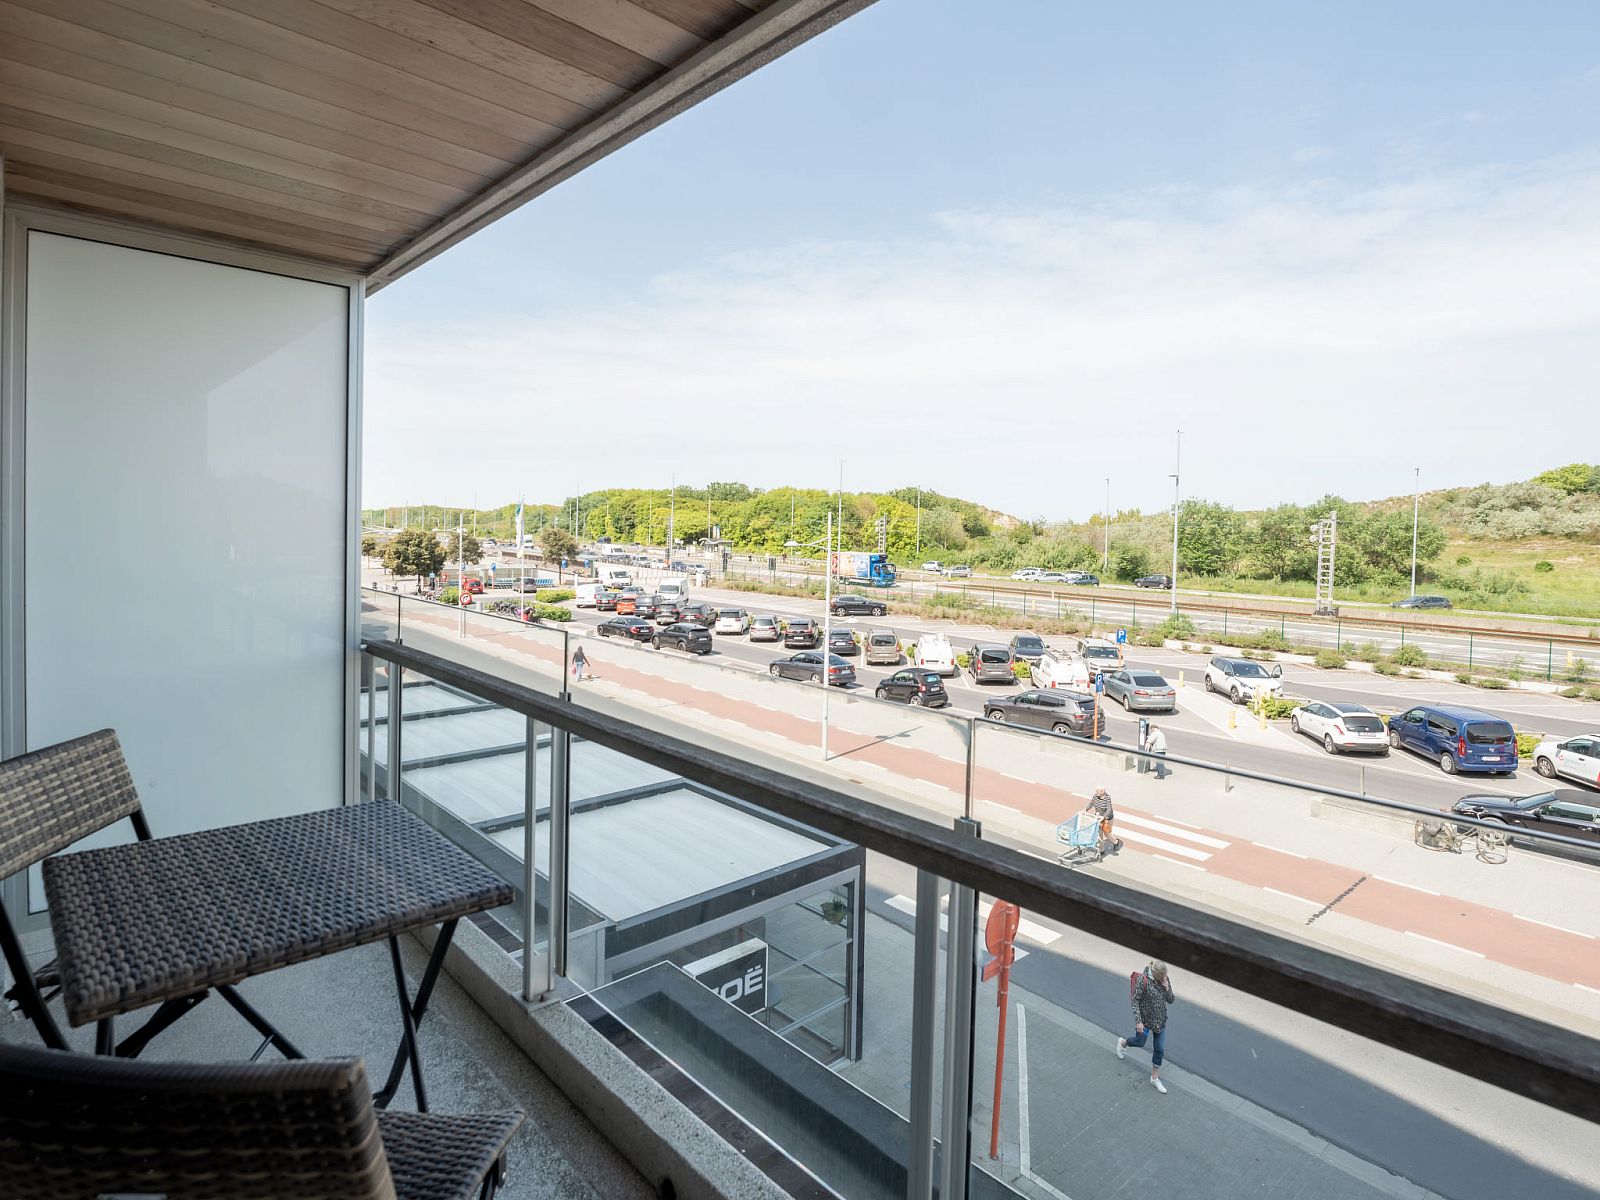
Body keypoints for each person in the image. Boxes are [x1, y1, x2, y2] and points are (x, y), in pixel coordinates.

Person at [1117, 960, 1176, 1094]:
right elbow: (1134, 1001)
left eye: (1165, 977)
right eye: (1161, 977)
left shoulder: (1164, 979)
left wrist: (1167, 989)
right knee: (1140, 1042)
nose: (1163, 979)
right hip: (1145, 1021)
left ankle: (1154, 1078)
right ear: (1154, 973)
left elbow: (1171, 1000)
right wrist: (1138, 1022)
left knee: (1159, 1049)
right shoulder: (1143, 981)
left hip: (1160, 1021)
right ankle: (1123, 1043)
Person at [1084, 786, 1121, 853]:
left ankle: (1116, 842)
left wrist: (1103, 817)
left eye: (1097, 791)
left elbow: (1109, 809)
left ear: (1102, 792)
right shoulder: (1095, 796)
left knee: (1107, 834)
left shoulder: (1107, 798)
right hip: (1098, 818)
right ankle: (1102, 850)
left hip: (1107, 819)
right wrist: (1085, 809)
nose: (1096, 793)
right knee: (1099, 834)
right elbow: (1091, 803)